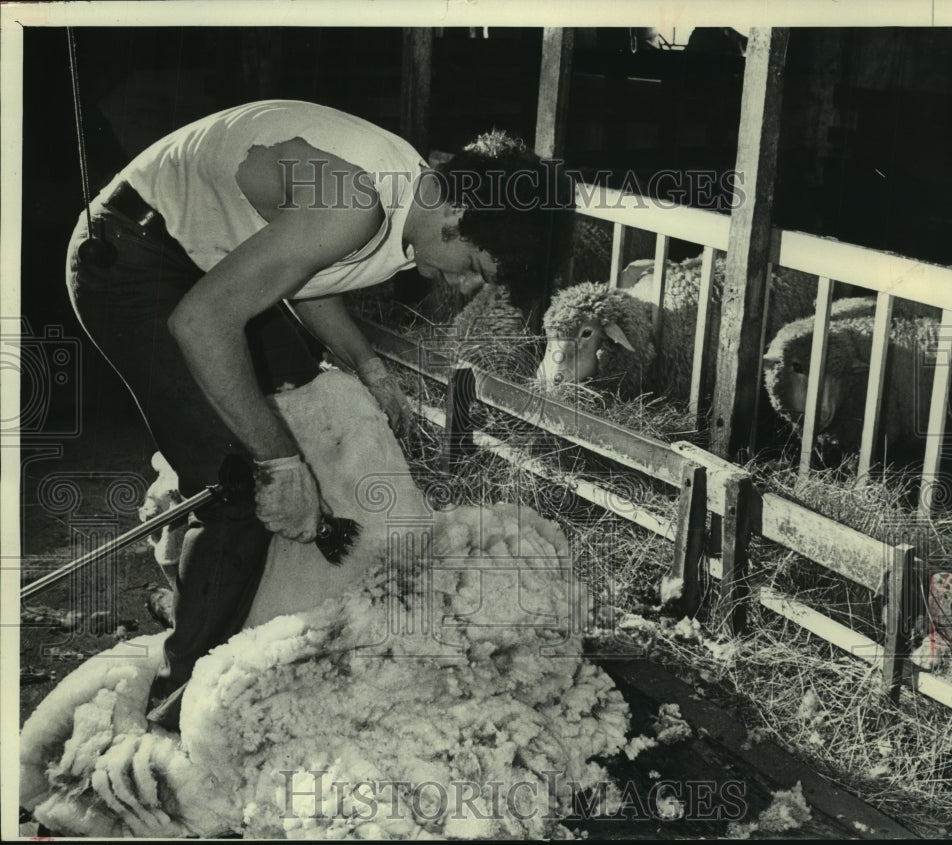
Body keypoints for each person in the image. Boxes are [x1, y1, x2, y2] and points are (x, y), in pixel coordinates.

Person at [66, 99, 576, 730]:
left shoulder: (403, 194)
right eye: (475, 268)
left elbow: (306, 276)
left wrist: (368, 366)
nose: (465, 286)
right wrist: (279, 464)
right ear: (456, 211)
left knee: (301, 397)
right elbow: (201, 322)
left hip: (196, 259)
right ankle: (182, 708)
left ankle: (225, 594)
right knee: (238, 484)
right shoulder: (355, 204)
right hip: (132, 256)